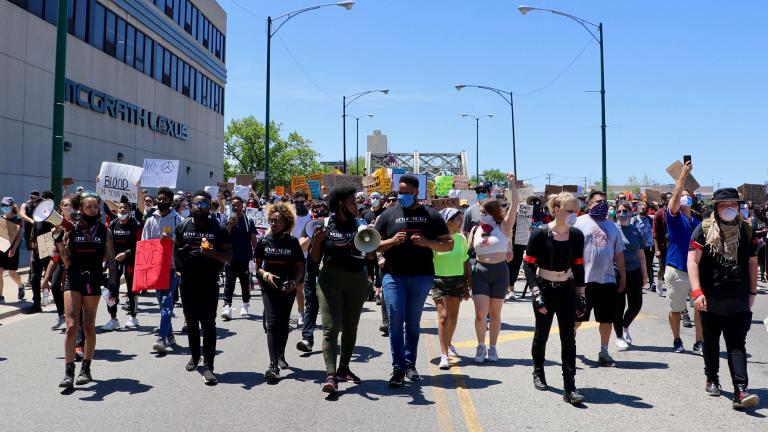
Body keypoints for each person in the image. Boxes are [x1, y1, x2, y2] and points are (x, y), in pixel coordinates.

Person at [375, 174, 453, 387]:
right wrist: (391, 241)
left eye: (408, 193)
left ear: (417, 193)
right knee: (395, 320)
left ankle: (410, 364)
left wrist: (427, 242)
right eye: (400, 192)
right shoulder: (387, 215)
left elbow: (448, 244)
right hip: (393, 276)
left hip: (421, 276)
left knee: (412, 322)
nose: (403, 196)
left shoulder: (431, 215)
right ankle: (398, 367)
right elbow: (371, 246)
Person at [689, 187, 760, 409]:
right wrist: (697, 291)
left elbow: (752, 263)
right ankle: (711, 377)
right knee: (710, 341)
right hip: (710, 298)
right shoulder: (703, 230)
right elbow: (693, 261)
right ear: (716, 207)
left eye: (733, 205)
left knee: (737, 343)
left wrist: (752, 292)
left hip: (738, 297)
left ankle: (740, 389)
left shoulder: (747, 230)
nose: (729, 209)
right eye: (724, 205)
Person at [524, 192, 586, 404]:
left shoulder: (577, 235)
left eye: (575, 210)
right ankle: (538, 371)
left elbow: (578, 266)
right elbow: (529, 265)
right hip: (544, 289)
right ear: (557, 210)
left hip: (566, 289)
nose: (573, 214)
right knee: (542, 334)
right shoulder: (540, 234)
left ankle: (570, 387)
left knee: (568, 337)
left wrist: (581, 294)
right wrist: (535, 292)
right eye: (569, 210)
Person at [307, 187, 371, 393]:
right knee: (331, 328)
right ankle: (330, 374)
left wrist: (371, 244)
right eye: (353, 202)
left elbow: (369, 257)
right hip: (330, 280)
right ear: (342, 205)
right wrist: (317, 242)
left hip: (356, 279)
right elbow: (315, 259)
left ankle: (344, 369)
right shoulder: (325, 224)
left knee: (351, 328)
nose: (357, 205)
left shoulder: (361, 225)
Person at [55, 191, 117, 389]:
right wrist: (58, 240)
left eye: (95, 206)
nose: (92, 209)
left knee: (89, 326)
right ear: (80, 208)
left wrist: (112, 285)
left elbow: (110, 259)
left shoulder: (104, 231)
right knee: (72, 325)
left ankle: (86, 369)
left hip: (93, 279)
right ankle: (68, 372)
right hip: (73, 278)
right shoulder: (71, 229)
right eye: (88, 206)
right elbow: (65, 260)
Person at [174, 191, 231, 385]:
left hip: (209, 282)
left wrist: (212, 253)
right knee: (191, 323)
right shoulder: (182, 226)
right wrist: (179, 268)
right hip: (188, 282)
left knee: (208, 324)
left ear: (209, 207)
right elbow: (176, 253)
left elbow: (228, 256)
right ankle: (195, 355)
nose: (200, 207)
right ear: (191, 206)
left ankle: (208, 366)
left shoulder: (218, 228)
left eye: (204, 205)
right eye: (197, 204)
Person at [468, 174, 518, 363]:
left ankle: (493, 347)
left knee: (495, 314)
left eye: (486, 212)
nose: (482, 215)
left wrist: (512, 184)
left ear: (494, 213)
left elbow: (514, 205)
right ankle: (480, 346)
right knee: (480, 314)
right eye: (481, 211)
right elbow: (468, 252)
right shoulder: (476, 230)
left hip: (500, 273)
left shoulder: (504, 227)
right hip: (480, 272)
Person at [574, 190, 626, 367]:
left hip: (607, 280)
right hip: (583, 281)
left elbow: (619, 254)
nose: (602, 204)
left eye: (604, 201)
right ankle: (570, 345)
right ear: (589, 204)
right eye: (597, 201)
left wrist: (623, 276)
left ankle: (604, 352)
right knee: (577, 318)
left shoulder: (612, 227)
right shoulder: (579, 223)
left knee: (606, 319)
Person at [255, 202, 305, 382]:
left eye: (277, 221)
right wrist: (264, 274)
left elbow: (300, 268)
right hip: (269, 288)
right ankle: (273, 365)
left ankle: (281, 354)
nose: (274, 224)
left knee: (283, 323)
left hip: (288, 287)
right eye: (271, 220)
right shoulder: (263, 241)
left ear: (287, 222)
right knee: (272, 323)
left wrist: (294, 282)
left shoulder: (292, 243)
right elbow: (257, 266)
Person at [665, 161, 703, 354]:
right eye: (683, 196)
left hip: (695, 272)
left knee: (699, 308)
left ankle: (699, 342)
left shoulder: (698, 223)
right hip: (677, 271)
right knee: (676, 309)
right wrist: (682, 176)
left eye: (688, 196)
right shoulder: (673, 217)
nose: (684, 198)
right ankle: (677, 339)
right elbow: (676, 196)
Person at [141, 187, 183, 353]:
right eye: (159, 198)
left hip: (173, 269)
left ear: (171, 202)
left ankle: (161, 337)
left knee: (167, 301)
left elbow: (183, 244)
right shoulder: (151, 220)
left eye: (164, 199)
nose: (160, 201)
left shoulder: (178, 220)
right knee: (162, 304)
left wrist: (171, 239)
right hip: (157, 268)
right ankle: (170, 335)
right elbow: (145, 244)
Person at [432, 207, 471, 370]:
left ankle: (447, 344)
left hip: (458, 281)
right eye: (457, 219)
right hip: (439, 280)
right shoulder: (435, 239)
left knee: (453, 318)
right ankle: (444, 355)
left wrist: (467, 284)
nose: (460, 221)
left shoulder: (461, 239)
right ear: (447, 221)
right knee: (444, 317)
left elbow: (465, 261)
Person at [296, 200, 330, 352]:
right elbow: (301, 246)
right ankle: (307, 338)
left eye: (322, 211)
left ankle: (330, 339)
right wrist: (312, 235)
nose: (319, 214)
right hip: (312, 269)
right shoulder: (309, 225)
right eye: (316, 211)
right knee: (311, 305)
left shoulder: (333, 224)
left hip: (330, 271)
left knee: (330, 306)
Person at [614, 202, 648, 351]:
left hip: (634, 272)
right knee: (618, 307)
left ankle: (625, 325)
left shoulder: (635, 231)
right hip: (617, 273)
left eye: (625, 210)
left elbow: (641, 255)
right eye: (619, 210)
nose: (622, 213)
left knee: (636, 305)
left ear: (630, 212)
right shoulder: (613, 229)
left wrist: (645, 274)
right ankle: (619, 336)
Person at [105, 201, 141, 330]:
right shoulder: (113, 223)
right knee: (112, 289)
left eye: (125, 208)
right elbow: (109, 242)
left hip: (131, 260)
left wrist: (126, 253)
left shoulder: (135, 225)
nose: (122, 210)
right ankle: (113, 319)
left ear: (130, 210)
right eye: (120, 207)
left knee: (132, 290)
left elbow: (138, 245)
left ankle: (133, 316)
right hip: (115, 261)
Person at [41, 196, 76, 328]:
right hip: (62, 262)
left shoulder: (77, 224)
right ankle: (61, 315)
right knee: (55, 285)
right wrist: (45, 278)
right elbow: (54, 257)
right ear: (60, 208)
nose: (68, 208)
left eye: (70, 205)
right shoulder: (56, 228)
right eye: (65, 205)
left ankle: (74, 316)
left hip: (75, 263)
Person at [221, 196, 258, 320]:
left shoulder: (249, 220)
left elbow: (253, 238)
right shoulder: (227, 219)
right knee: (229, 283)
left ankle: (245, 304)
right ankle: (227, 306)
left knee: (245, 283)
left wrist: (256, 255)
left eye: (238, 204)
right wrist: (230, 225)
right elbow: (224, 236)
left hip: (245, 257)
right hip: (230, 258)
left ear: (243, 205)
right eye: (233, 205)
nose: (235, 207)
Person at [22, 190, 56, 314]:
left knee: (52, 277)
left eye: (45, 199)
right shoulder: (39, 211)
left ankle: (63, 300)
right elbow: (34, 228)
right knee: (35, 277)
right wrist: (32, 244)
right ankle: (36, 303)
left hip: (48, 244)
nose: (42, 202)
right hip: (37, 245)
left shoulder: (54, 211)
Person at [292, 191, 312, 326]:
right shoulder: (290, 216)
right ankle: (301, 312)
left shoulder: (312, 217)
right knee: (297, 288)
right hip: (293, 258)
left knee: (305, 288)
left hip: (308, 258)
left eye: (301, 202)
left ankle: (305, 313)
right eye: (296, 202)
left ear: (306, 202)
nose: (299, 204)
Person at [0, 197, 24, 303]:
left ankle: (20, 285)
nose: (3, 207)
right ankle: (0, 296)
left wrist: (13, 249)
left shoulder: (18, 220)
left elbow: (19, 237)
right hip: (1, 249)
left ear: (12, 206)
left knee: (12, 273)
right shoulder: (1, 218)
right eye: (2, 205)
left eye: (6, 205)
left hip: (12, 249)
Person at [632, 201, 656, 291]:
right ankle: (639, 282)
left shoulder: (650, 219)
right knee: (639, 265)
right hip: (638, 247)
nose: (643, 208)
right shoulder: (634, 220)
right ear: (637, 209)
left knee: (649, 264)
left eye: (645, 207)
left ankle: (652, 283)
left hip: (649, 246)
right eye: (641, 207)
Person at [653, 193, 672, 297]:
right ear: (664, 201)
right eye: (668, 198)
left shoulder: (677, 212)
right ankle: (659, 282)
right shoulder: (659, 213)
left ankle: (671, 288)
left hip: (674, 245)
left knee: (673, 268)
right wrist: (657, 249)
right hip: (663, 245)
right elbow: (654, 233)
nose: (670, 200)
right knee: (663, 267)